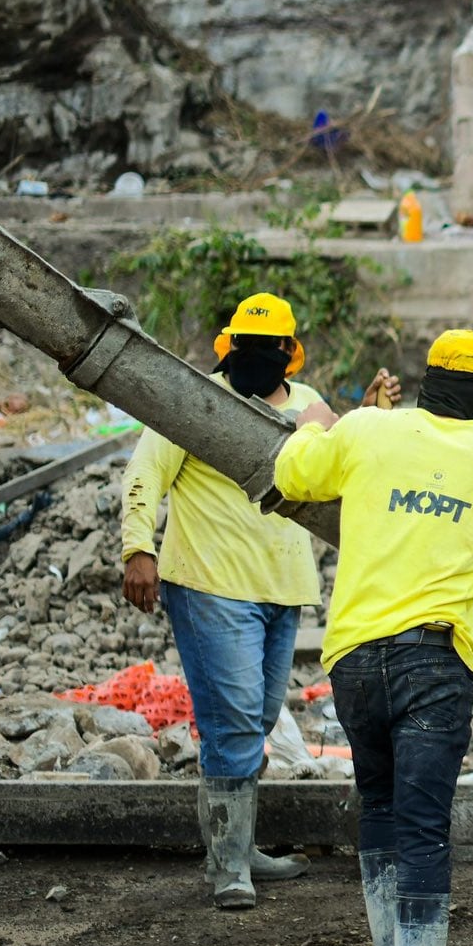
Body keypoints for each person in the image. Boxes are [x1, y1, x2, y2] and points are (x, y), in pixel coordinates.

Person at [274, 329, 473, 946]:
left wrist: (315, 424)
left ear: (425, 379)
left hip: (352, 658)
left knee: (377, 807)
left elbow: (294, 478)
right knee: (423, 828)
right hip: (433, 663)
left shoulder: (364, 430)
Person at [120, 291, 397, 911]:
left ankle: (240, 849)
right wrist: (138, 548)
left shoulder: (307, 407)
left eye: (269, 349)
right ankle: (228, 866)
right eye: (247, 347)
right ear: (230, 348)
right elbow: (144, 472)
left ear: (287, 355)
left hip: (283, 589)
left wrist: (371, 418)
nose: (257, 358)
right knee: (233, 719)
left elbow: (340, 463)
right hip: (210, 583)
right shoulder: (195, 401)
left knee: (259, 715)